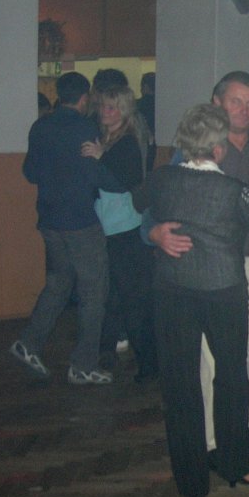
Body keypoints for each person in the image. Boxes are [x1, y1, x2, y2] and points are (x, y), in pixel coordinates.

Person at [135, 104, 249, 497]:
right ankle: (234, 465)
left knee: (180, 383)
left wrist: (157, 231)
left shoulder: (162, 178)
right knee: (231, 379)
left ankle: (191, 481)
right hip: (223, 292)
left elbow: (137, 202)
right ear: (218, 149)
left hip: (172, 289)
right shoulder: (234, 191)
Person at [10, 71, 126, 385]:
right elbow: (97, 176)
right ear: (85, 97)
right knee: (94, 293)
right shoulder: (85, 128)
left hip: (49, 219)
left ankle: (29, 342)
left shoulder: (40, 126)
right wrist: (120, 180)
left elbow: (30, 173)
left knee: (59, 283)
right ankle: (83, 365)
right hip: (80, 221)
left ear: (59, 95)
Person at [80, 85, 159, 383]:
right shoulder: (106, 138)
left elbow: (127, 181)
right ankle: (107, 353)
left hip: (127, 229)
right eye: (102, 106)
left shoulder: (127, 141)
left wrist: (102, 158)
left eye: (112, 107)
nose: (105, 111)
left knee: (133, 300)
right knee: (112, 295)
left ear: (124, 110)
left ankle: (150, 365)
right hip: (110, 228)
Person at [137, 71, 157, 168]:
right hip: (155, 146)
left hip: (140, 143)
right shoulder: (162, 104)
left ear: (145, 86)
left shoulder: (137, 105)